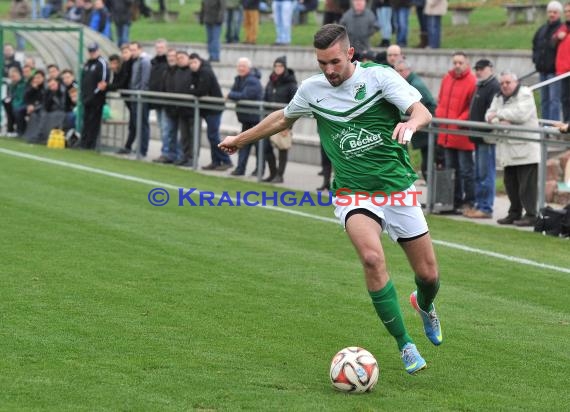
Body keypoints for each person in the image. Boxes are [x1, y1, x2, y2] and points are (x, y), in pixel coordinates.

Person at [219, 24, 441, 375]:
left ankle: (424, 305)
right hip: (352, 192)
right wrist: (241, 139)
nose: (329, 70)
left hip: (397, 188)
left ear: (350, 54)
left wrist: (411, 124)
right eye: (322, 63)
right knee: (371, 258)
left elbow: (422, 110)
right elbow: (282, 117)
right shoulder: (312, 89)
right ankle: (405, 345)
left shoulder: (380, 78)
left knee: (428, 275)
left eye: (335, 62)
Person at [486, 71, 541, 227]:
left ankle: (531, 215)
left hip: (526, 149)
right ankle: (514, 213)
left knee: (527, 187)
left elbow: (520, 114)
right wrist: (500, 118)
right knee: (510, 184)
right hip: (508, 150)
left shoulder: (525, 94)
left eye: (508, 82)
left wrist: (499, 115)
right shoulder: (498, 96)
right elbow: (488, 116)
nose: (504, 85)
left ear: (516, 82)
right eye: (502, 83)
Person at [436, 51, 477, 213]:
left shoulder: (472, 81)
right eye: (455, 63)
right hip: (446, 133)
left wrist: (459, 121)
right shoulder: (447, 78)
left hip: (461, 133)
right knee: (450, 169)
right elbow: (441, 101)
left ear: (467, 64)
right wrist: (440, 115)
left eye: (460, 63)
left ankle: (469, 202)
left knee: (466, 170)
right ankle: (453, 201)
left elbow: (471, 107)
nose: (457, 66)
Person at [464, 59, 500, 219]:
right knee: (479, 174)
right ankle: (480, 205)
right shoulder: (482, 84)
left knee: (486, 174)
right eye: (477, 69)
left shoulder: (493, 86)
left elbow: (493, 112)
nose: (478, 71)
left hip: (486, 137)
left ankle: (485, 207)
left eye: (481, 68)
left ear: (490, 69)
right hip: (478, 136)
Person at [188, 52, 233, 171]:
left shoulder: (205, 72)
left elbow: (201, 90)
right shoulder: (195, 73)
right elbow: (194, 88)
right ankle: (216, 162)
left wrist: (192, 91)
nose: (192, 65)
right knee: (211, 136)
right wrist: (193, 90)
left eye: (194, 62)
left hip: (214, 108)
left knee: (213, 136)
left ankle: (226, 160)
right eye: (190, 63)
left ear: (199, 61)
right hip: (207, 109)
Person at [394, 59, 437, 182]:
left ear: (408, 71)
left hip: (426, 126)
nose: (399, 73)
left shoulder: (415, 84)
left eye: (401, 71)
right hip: (420, 125)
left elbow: (430, 105)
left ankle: (433, 198)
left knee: (428, 165)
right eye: (396, 71)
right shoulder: (407, 83)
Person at [262, 55, 298, 183]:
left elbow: (295, 106)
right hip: (269, 121)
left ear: (285, 67)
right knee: (266, 147)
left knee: (282, 148)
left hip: (284, 121)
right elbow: (265, 99)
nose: (278, 68)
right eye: (276, 66)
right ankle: (272, 173)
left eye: (280, 66)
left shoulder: (291, 84)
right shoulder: (271, 81)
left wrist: (288, 126)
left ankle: (280, 175)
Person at [227, 57, 263, 176]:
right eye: (239, 66)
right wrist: (233, 94)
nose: (241, 68)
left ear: (249, 68)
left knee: (258, 147)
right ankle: (241, 169)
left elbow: (245, 95)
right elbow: (237, 93)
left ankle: (258, 170)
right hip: (247, 119)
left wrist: (230, 94)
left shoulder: (252, 80)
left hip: (256, 120)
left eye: (243, 66)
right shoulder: (239, 79)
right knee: (243, 144)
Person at [117, 41, 151, 157]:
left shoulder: (145, 61)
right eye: (130, 50)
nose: (132, 52)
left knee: (142, 124)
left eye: (134, 50)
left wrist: (139, 94)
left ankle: (142, 150)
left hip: (140, 98)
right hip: (134, 97)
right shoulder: (135, 62)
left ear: (140, 49)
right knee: (137, 124)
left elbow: (144, 81)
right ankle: (138, 148)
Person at [532, 1, 563, 121]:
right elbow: (535, 45)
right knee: (544, 100)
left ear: (559, 14)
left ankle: (552, 126)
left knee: (554, 101)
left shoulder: (562, 30)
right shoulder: (542, 29)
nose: (552, 14)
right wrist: (535, 59)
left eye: (554, 12)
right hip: (542, 70)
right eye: (550, 12)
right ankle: (544, 126)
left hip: (554, 72)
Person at [79, 42, 110, 149]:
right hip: (87, 98)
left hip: (96, 99)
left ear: (98, 51)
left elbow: (103, 83)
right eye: (90, 51)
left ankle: (90, 145)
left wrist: (92, 95)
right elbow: (83, 81)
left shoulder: (102, 63)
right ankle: (83, 143)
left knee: (93, 122)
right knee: (86, 121)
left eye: (94, 51)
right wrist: (84, 95)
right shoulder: (87, 64)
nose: (92, 53)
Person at [148, 39, 170, 163]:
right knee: (162, 128)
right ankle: (166, 152)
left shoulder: (168, 62)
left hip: (165, 101)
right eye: (157, 47)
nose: (159, 49)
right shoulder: (154, 62)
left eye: (161, 47)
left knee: (166, 128)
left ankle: (167, 152)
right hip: (156, 100)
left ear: (166, 48)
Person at [553, 1, 570, 122]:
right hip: (563, 71)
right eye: (566, 12)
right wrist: (557, 37)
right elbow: (552, 43)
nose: (567, 14)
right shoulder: (563, 27)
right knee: (565, 100)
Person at [2, 66, 27, 136]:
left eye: (13, 76)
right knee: (6, 104)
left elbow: (21, 98)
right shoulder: (12, 85)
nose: (12, 78)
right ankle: (10, 129)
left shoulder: (23, 84)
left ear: (18, 74)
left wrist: (13, 103)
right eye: (11, 77)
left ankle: (20, 131)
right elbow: (10, 95)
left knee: (16, 109)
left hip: (22, 104)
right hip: (15, 104)